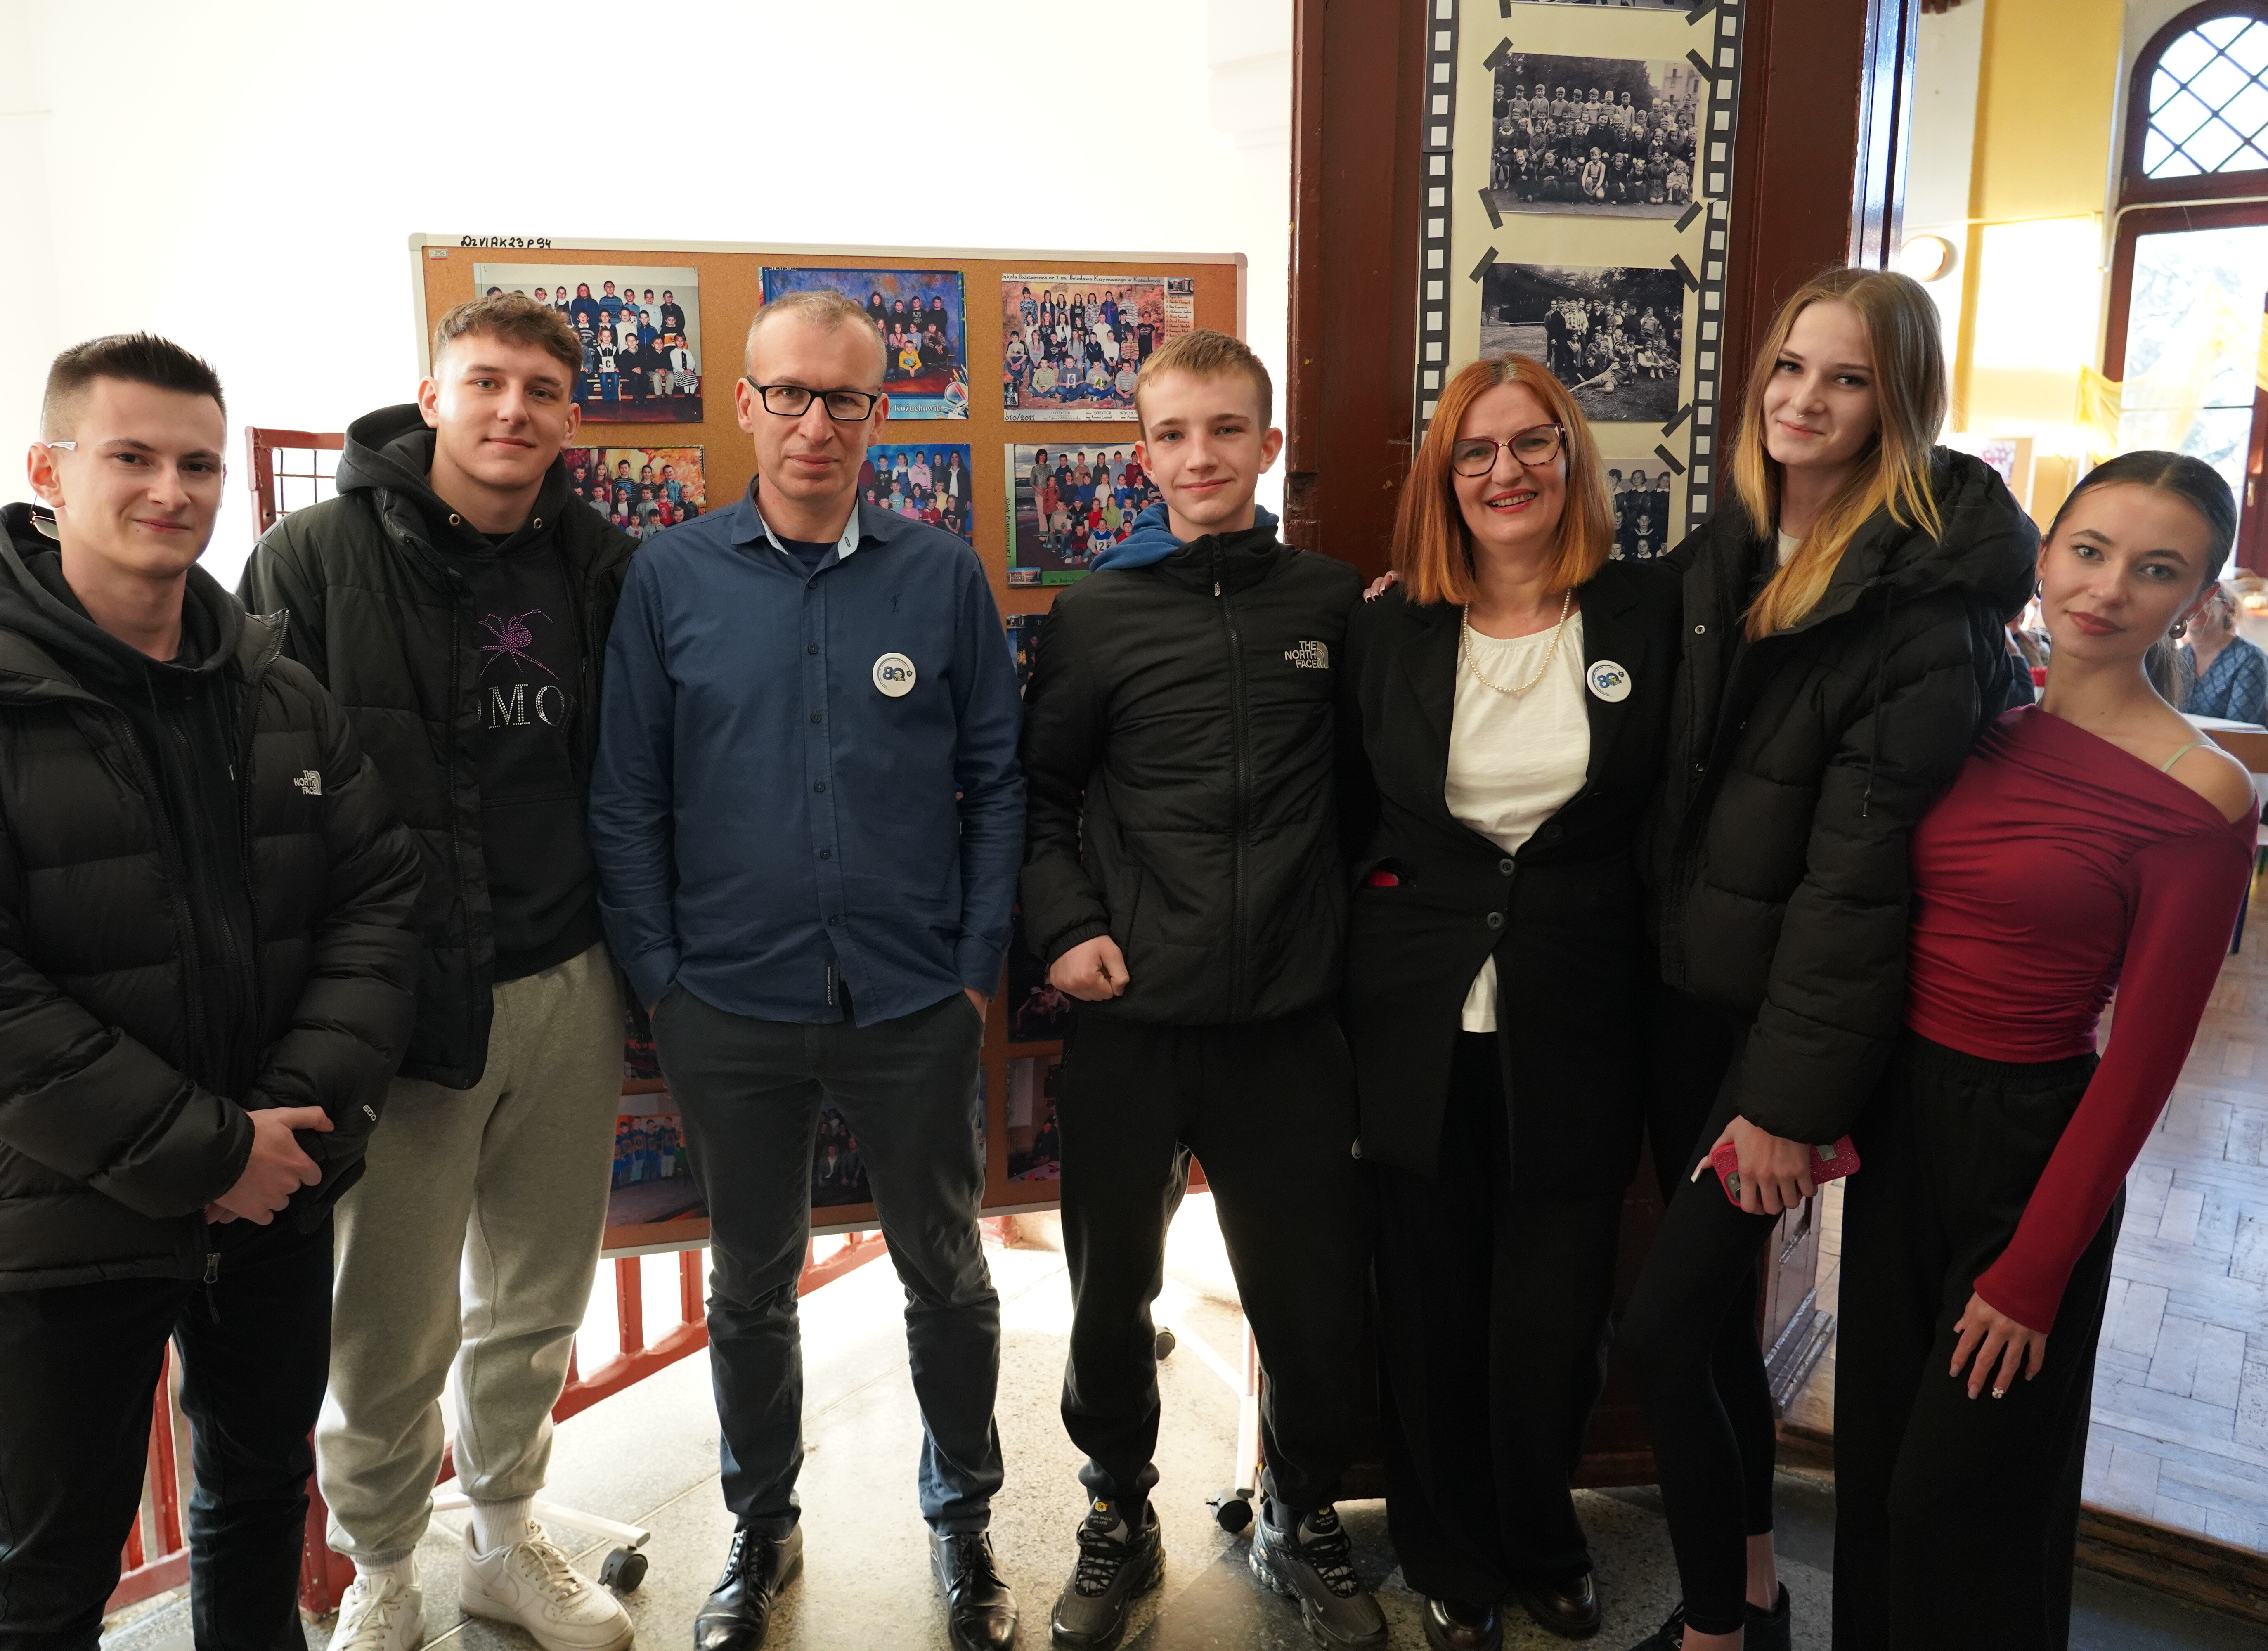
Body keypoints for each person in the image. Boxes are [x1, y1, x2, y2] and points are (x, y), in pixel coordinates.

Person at [0, 334, 423, 1651]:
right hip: (64, 1210)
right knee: (54, 1571)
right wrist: (206, 1152)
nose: (172, 489)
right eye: (132, 457)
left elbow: (379, 903)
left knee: (260, 1499)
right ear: (49, 472)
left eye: (197, 463)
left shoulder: (279, 693)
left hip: (278, 1183)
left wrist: (276, 1132)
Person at [590, 286, 1026, 1651]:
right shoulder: (670, 578)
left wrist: (972, 968)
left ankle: (963, 1524)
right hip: (728, 1003)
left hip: (912, 1000)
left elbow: (999, 783)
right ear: (747, 403)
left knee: (947, 1277)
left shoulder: (941, 577)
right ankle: (761, 1529)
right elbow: (626, 796)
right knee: (749, 1288)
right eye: (790, 393)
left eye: (845, 398)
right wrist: (663, 979)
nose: (815, 424)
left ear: (880, 413)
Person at [1621, 267, 2037, 1651]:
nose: (1804, 399)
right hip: (1686, 1000)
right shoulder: (1735, 541)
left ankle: (1709, 1634)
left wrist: (1788, 1107)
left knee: (1661, 1332)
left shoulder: (1921, 609)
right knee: (1708, 1331)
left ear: (1898, 404)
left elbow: (1862, 887)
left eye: (1848, 379)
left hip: (1782, 1042)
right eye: (1792, 367)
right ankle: (1752, 1600)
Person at [239, 293, 642, 1651]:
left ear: (570, 417)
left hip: (568, 976)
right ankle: (383, 1567)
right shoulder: (310, 558)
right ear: (432, 396)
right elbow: (260, 798)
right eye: (485, 382)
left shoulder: (600, 563)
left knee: (536, 1295)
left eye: (541, 389)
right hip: (397, 1000)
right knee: (390, 1318)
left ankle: (506, 1536)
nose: (512, 409)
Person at [1833, 453, 2258, 1649]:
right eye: (2089, 549)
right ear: (2045, 551)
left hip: (2030, 1151)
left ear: (2195, 600)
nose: (2107, 589)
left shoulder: (2203, 793)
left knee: (1956, 1503)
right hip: (1900, 1131)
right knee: (1875, 1475)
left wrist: (2034, 1268)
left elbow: (2144, 1064)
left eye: (2155, 570)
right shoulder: (1977, 721)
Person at [1017, 329, 1383, 1651]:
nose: (1200, 455)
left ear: (1267, 445)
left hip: (1288, 1022)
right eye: (1173, 433)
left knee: (1310, 1299)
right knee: (1110, 1297)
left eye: (1226, 429)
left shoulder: (1333, 606)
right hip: (1133, 1018)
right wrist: (1065, 929)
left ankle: (1301, 1508)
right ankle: (1119, 1512)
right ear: (1142, 456)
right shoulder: (1096, 614)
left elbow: (1370, 800)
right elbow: (1041, 798)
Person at [1343, 356, 1679, 1651]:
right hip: (1415, 1023)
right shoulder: (1391, 626)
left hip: (1580, 1018)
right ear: (1444, 477)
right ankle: (1448, 1555)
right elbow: (1351, 819)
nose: (1506, 472)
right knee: (1427, 1309)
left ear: (1572, 457)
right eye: (1475, 451)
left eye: (1532, 443)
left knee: (1554, 1312)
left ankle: (1542, 1537)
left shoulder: (1649, 614)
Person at [2178, 582, 2267, 722]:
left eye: (2207, 601)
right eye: (2189, 600)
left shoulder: (2250, 658)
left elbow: (2238, 728)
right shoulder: (2177, 658)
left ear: (2226, 608)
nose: (2196, 607)